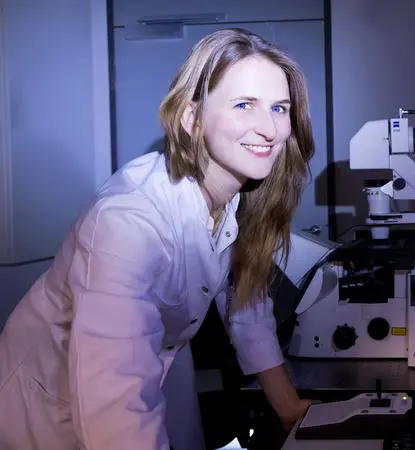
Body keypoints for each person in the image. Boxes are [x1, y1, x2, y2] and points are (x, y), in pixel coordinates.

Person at [0, 28, 315, 449]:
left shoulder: (236, 199)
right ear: (191, 118)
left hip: (142, 381)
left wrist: (290, 408)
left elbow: (248, 307)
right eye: (244, 105)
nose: (270, 129)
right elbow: (114, 403)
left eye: (279, 108)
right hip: (43, 412)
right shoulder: (127, 222)